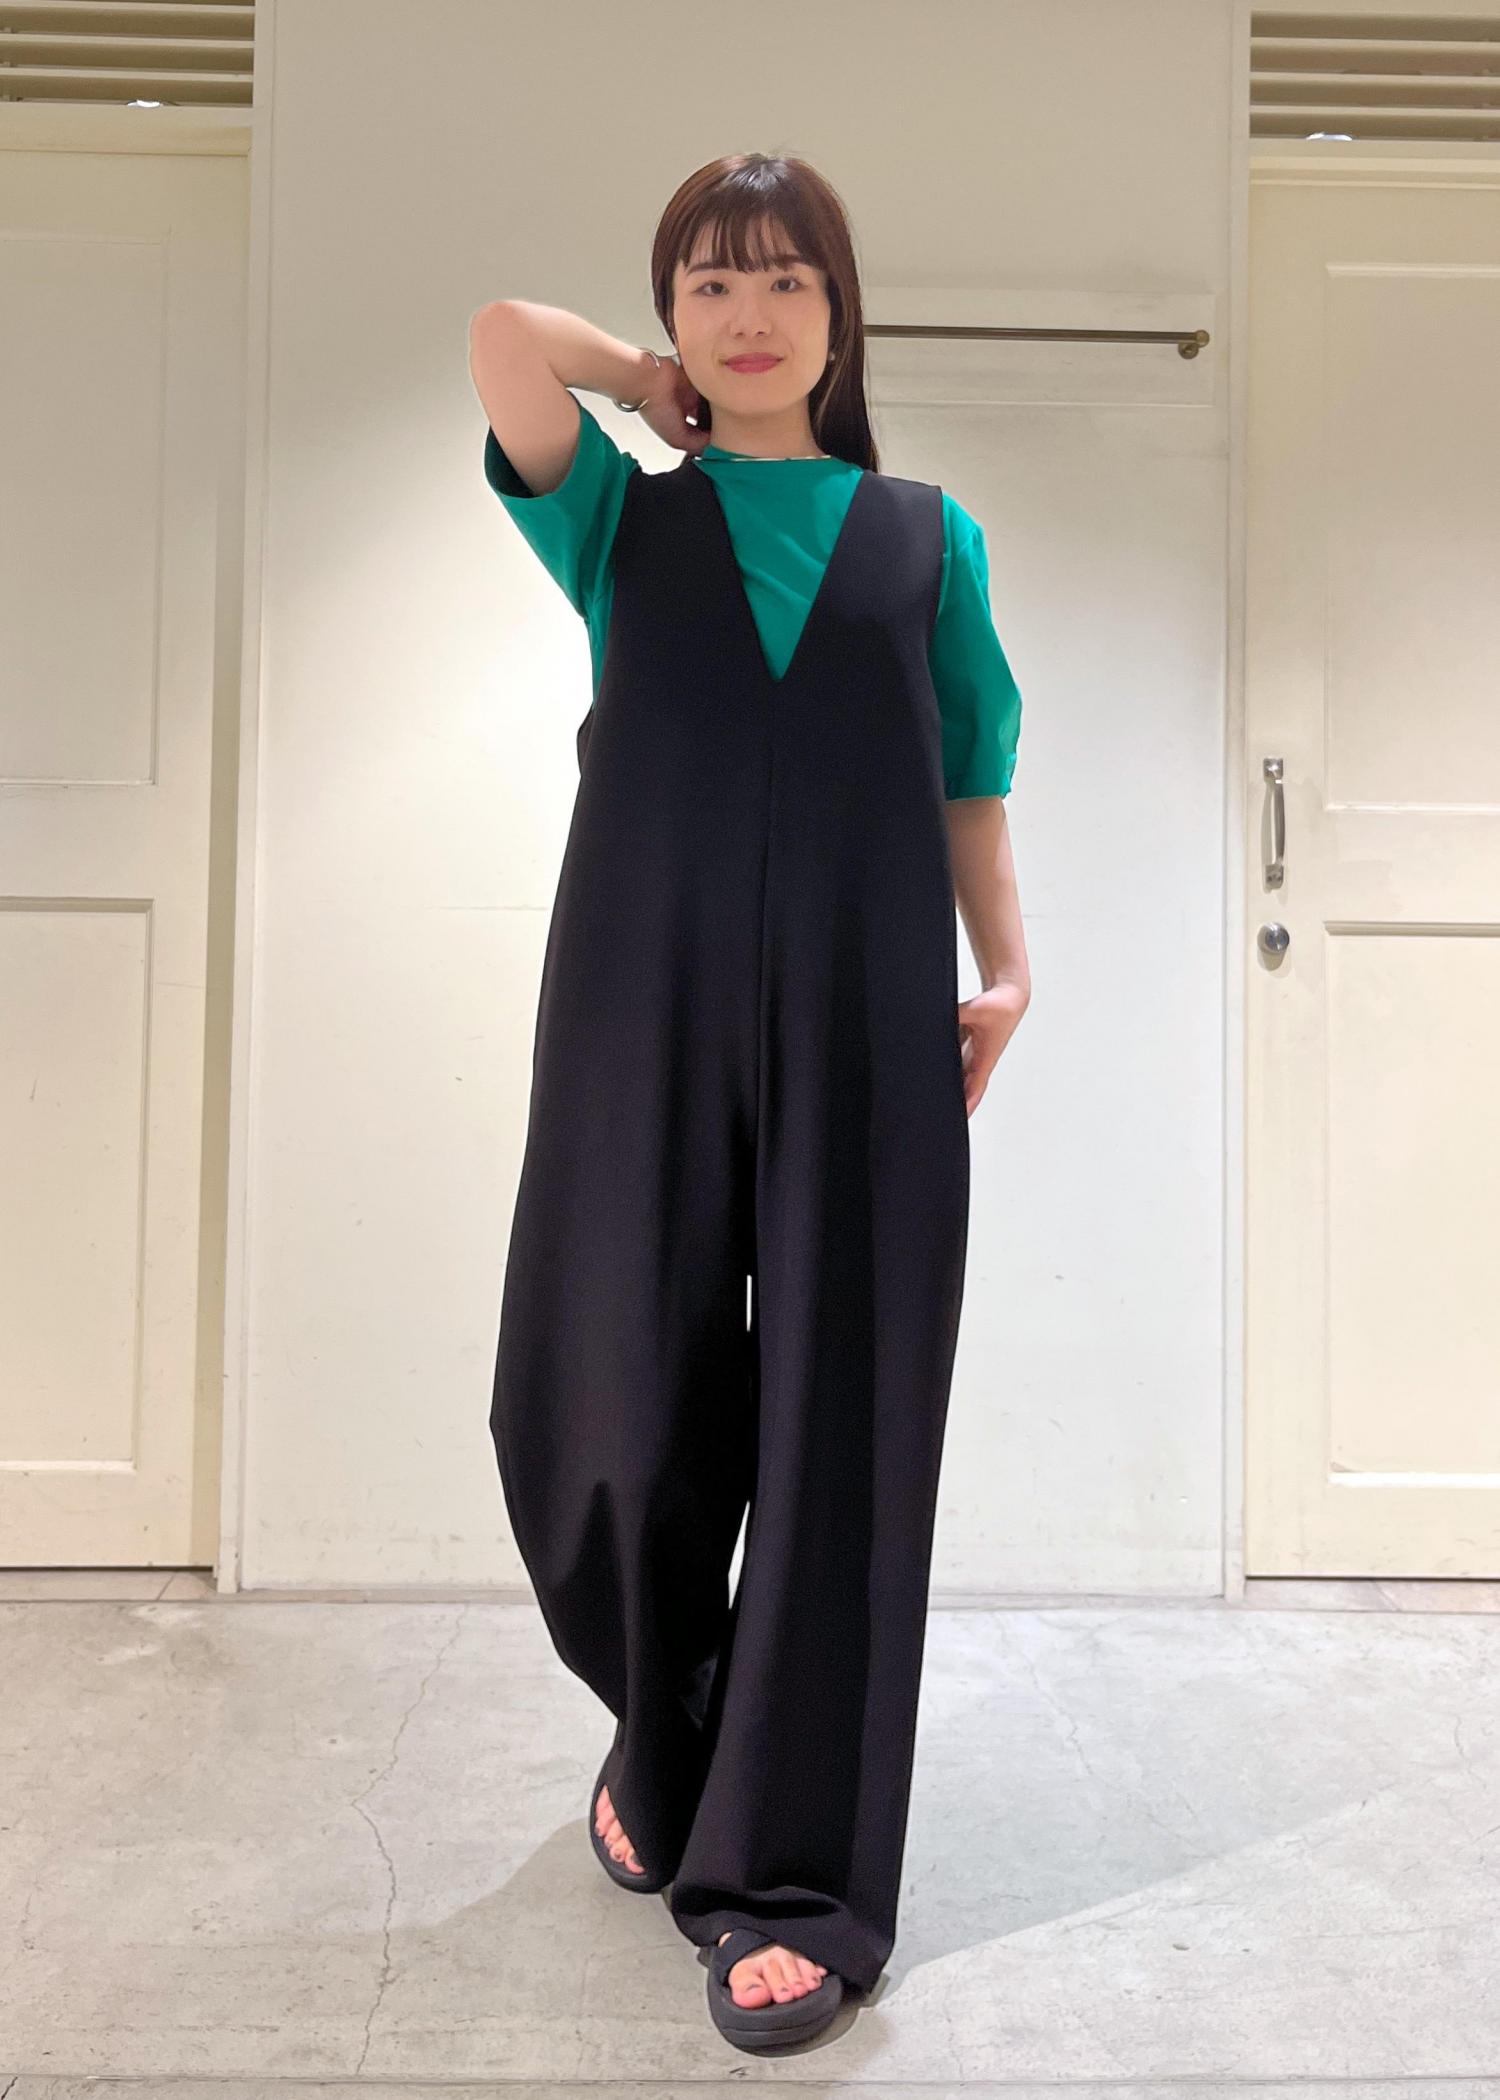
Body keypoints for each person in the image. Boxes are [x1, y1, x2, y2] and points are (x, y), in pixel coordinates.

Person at [468, 152, 1030, 2052]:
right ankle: (667, 1729)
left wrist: (1006, 969)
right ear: (677, 319)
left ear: (841, 316)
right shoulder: (622, 523)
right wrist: (643, 383)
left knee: (843, 1431)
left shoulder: (925, 540)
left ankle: (790, 1880)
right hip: (640, 1006)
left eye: (788, 279)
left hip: (870, 1016)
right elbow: (503, 341)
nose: (751, 312)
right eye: (713, 282)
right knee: (596, 1402)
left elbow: (970, 775)